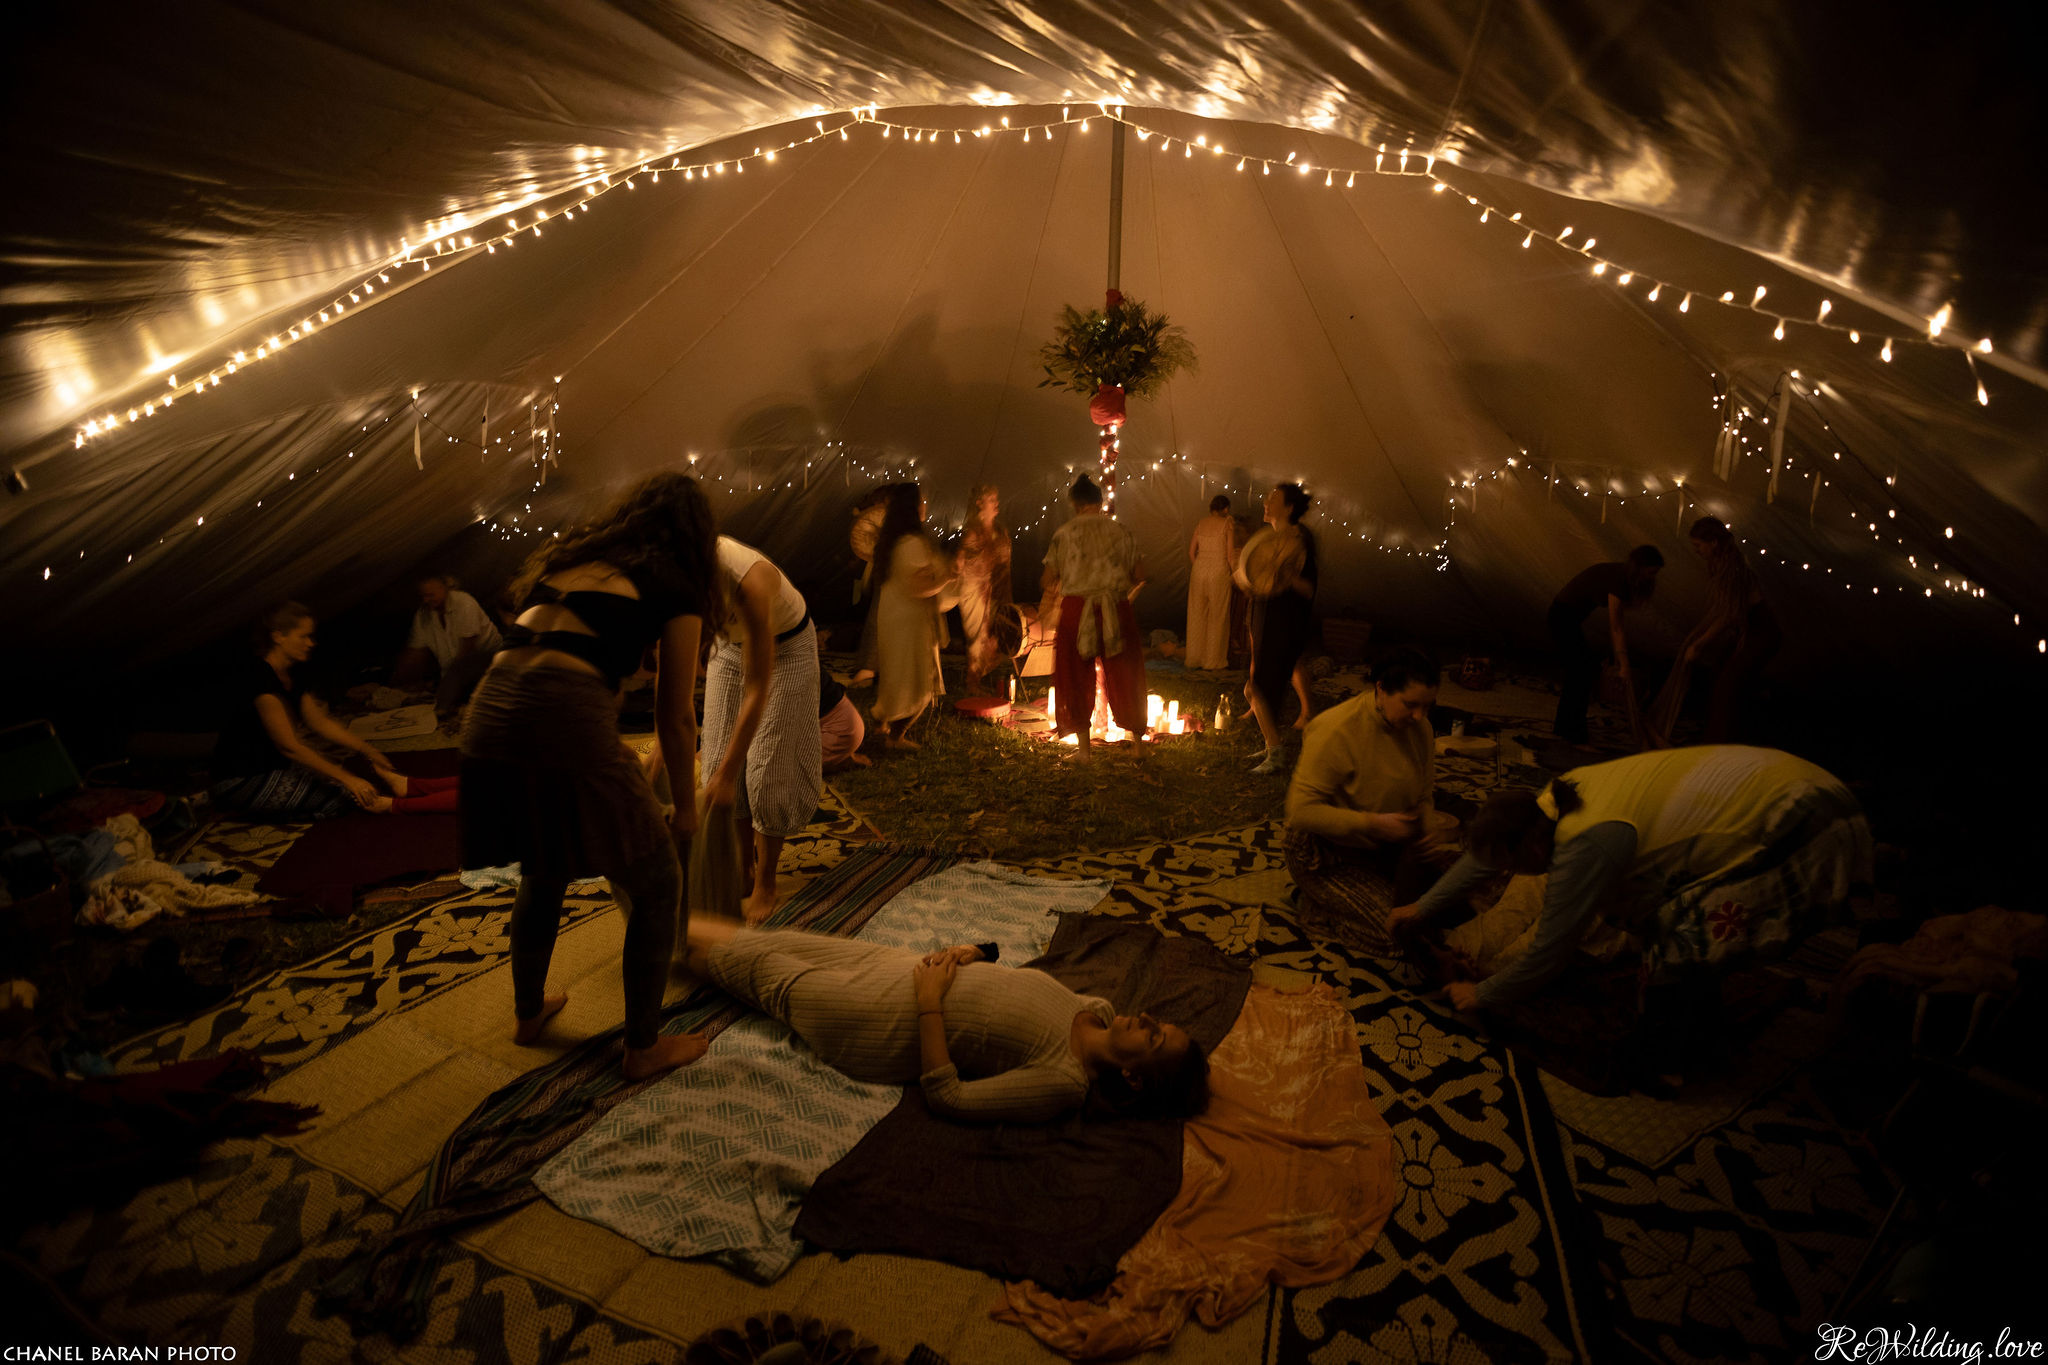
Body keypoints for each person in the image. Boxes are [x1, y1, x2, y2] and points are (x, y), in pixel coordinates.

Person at [460, 472, 722, 1081]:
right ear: (693, 534)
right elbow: (676, 715)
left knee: (543, 865)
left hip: (489, 714)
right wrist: (685, 811)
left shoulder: (573, 563)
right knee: (658, 883)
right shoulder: (674, 582)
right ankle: (643, 1047)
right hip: (563, 713)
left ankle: (529, 1014)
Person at [1386, 746, 1870, 1036]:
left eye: (1513, 863)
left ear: (1532, 847)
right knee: (1551, 894)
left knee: (1681, 943)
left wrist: (1483, 992)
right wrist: (1423, 907)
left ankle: (1675, 1057)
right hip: (1783, 783)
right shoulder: (1550, 801)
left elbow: (1551, 948)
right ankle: (1469, 949)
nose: (1506, 871)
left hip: (1803, 822)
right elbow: (1487, 858)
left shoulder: (1587, 844)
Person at [679, 920, 1209, 1122]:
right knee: (770, 940)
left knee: (751, 967)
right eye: (1157, 1022)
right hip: (905, 969)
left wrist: (930, 1001)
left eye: (1154, 1036)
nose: (1146, 1018)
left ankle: (652, 924)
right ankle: (659, 906)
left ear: (1134, 1077)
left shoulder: (1064, 1082)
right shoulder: (1098, 1010)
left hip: (875, 1022)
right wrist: (973, 954)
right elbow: (1011, 995)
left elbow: (950, 1098)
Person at [212, 603, 462, 818]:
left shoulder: (292, 673)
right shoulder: (260, 679)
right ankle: (224, 802)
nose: (311, 643)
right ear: (279, 636)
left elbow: (320, 722)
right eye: (304, 636)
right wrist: (348, 778)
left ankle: (408, 786)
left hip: (277, 766)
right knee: (345, 798)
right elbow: (289, 746)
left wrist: (367, 750)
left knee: (355, 787)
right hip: (243, 777)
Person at [1283, 647, 1457, 955]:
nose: (1420, 716)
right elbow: (1300, 812)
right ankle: (1316, 906)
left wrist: (1427, 826)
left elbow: (1424, 795)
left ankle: (1370, 887)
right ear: (1381, 689)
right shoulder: (1336, 729)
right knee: (1398, 937)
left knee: (1447, 911)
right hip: (1326, 855)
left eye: (1427, 706)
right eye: (1410, 704)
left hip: (1386, 846)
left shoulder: (1421, 728)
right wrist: (1373, 824)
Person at [701, 536, 821, 924]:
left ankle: (766, 881)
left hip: (786, 648)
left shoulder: (750, 580)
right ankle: (743, 868)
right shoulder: (664, 573)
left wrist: (728, 773)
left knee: (766, 768)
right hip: (728, 646)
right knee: (715, 761)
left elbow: (757, 688)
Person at [1647, 517, 1781, 745]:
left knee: (1726, 687)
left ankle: (1720, 744)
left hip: (1761, 633)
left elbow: (1729, 614)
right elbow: (1724, 612)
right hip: (1746, 632)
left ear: (1714, 543)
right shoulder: (1719, 566)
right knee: (1719, 677)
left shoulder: (1733, 569)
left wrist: (1699, 645)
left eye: (1698, 545)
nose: (1696, 551)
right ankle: (1725, 738)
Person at [1042, 474, 1147, 760]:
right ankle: (1139, 747)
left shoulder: (1064, 533)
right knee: (1126, 673)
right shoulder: (1121, 531)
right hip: (1116, 608)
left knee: (1075, 676)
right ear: (1099, 503)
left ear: (1075, 505)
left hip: (1077, 610)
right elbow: (1141, 574)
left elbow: (1048, 578)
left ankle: (1085, 751)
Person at [1548, 546, 1664, 745]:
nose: (1652, 578)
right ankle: (1571, 733)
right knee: (1581, 672)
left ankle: (1565, 727)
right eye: (1651, 572)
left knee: (1583, 670)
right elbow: (1616, 626)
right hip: (1561, 617)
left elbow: (1618, 623)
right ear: (1640, 567)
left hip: (1569, 618)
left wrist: (1620, 660)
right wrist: (1624, 665)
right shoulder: (1618, 579)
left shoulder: (1622, 575)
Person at [870, 483, 952, 749]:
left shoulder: (894, 541)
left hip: (894, 615)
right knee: (916, 681)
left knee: (896, 675)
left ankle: (881, 724)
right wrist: (948, 576)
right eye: (922, 500)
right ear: (913, 507)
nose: (925, 505)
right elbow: (920, 586)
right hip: (908, 620)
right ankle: (896, 737)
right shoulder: (911, 544)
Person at [1243, 483, 1318, 773]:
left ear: (1288, 508)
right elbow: (1257, 577)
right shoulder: (1271, 539)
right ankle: (1270, 745)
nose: (1265, 502)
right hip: (1263, 613)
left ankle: (1276, 753)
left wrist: (1285, 576)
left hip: (1284, 620)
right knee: (1256, 687)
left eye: (1273, 499)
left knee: (1259, 688)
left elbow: (1308, 589)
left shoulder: (1299, 540)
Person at [392, 573, 503, 716]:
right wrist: (400, 677)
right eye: (423, 596)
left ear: (444, 588)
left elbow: (467, 649)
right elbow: (415, 652)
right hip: (454, 673)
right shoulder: (423, 615)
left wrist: (448, 688)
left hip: (491, 664)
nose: (426, 600)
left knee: (463, 671)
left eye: (431, 595)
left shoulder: (464, 602)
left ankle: (445, 707)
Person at [956, 483, 1014, 696]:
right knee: (978, 638)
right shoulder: (972, 531)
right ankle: (972, 683)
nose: (996, 503)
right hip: (976, 591)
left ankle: (979, 678)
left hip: (998, 588)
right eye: (991, 500)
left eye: (996, 499)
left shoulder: (1000, 530)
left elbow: (1005, 561)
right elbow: (963, 562)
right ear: (980, 503)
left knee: (995, 635)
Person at [1183, 495, 1239, 670]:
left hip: (1199, 571)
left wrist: (1200, 565)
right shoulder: (1227, 524)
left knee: (1196, 614)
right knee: (1217, 616)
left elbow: (1191, 552)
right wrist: (1236, 574)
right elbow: (1230, 555)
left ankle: (1194, 658)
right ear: (1226, 509)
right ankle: (1213, 661)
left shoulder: (1201, 523)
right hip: (1218, 572)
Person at [819, 671, 871, 773]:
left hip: (838, 733)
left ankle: (839, 758)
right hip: (841, 727)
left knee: (788, 766)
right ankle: (841, 756)